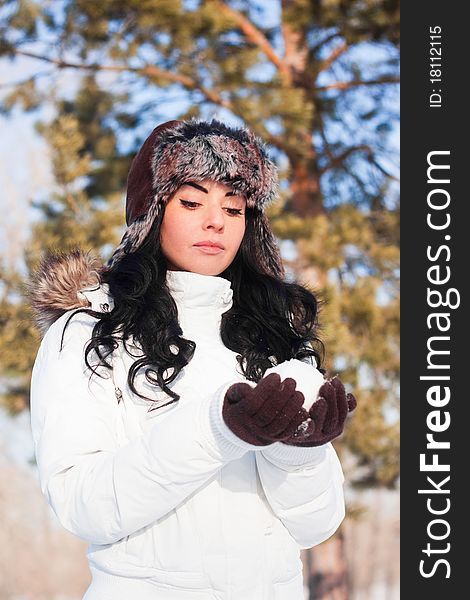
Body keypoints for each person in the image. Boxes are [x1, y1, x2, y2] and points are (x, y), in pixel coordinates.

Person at [28, 118, 357, 600]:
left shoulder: (275, 338)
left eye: (234, 207)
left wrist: (298, 452)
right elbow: (82, 505)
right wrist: (218, 431)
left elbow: (314, 528)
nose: (216, 221)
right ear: (151, 211)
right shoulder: (88, 332)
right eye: (191, 201)